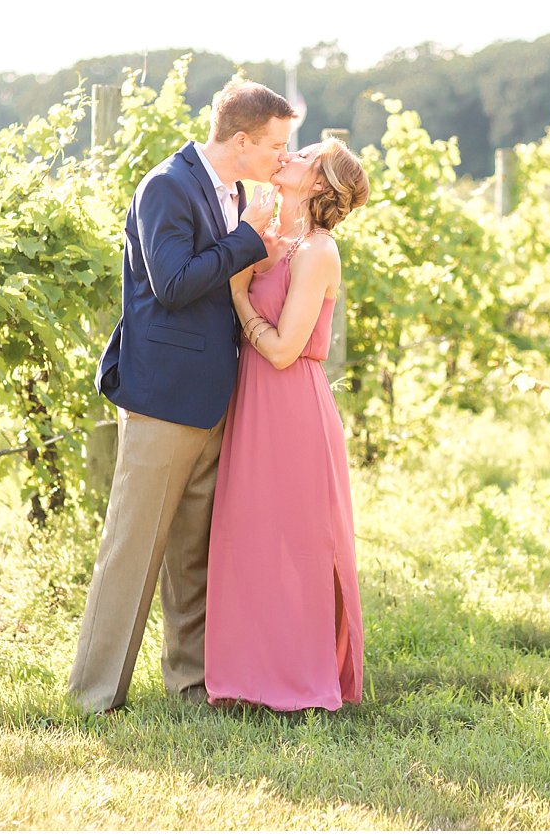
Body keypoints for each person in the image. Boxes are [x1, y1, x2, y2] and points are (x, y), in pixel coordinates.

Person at [67, 79, 294, 714]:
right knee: (133, 550)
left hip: (213, 398)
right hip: (164, 398)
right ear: (242, 139)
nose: (283, 156)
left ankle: (191, 686)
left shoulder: (236, 192)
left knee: (193, 553)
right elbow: (171, 283)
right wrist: (247, 242)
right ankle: (93, 694)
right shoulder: (166, 184)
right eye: (276, 145)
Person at [204, 138, 371, 711]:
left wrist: (238, 296)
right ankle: (242, 677)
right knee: (243, 535)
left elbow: (281, 351)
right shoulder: (272, 237)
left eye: (303, 156)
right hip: (250, 401)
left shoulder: (319, 252)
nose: (288, 157)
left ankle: (300, 681)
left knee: (297, 544)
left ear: (320, 183)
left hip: (292, 407)